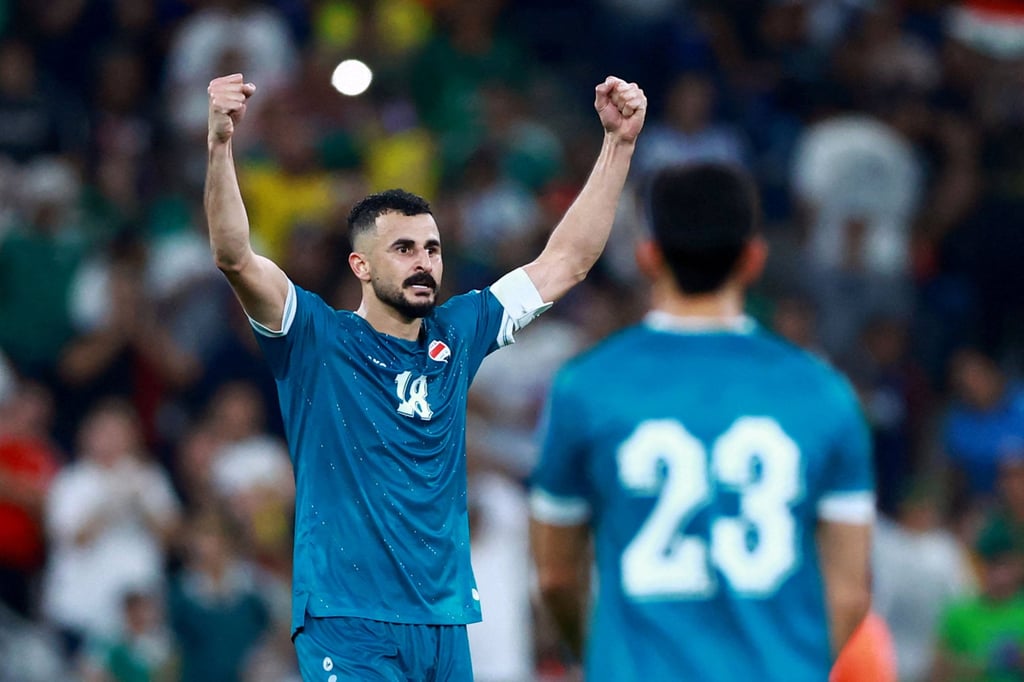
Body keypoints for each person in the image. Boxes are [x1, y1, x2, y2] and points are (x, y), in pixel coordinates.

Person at [205, 71, 646, 680]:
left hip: (442, 622)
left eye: (433, 249)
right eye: (405, 249)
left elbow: (565, 262)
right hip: (348, 617)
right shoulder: (316, 338)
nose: (425, 263)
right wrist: (221, 144)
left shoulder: (458, 334)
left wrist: (618, 146)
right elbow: (234, 256)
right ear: (360, 264)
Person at [529, 163, 875, 681]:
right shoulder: (823, 392)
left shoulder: (587, 386)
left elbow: (556, 577)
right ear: (753, 259)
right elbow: (849, 592)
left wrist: (600, 656)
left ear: (648, 256)